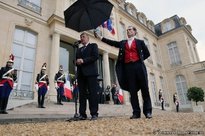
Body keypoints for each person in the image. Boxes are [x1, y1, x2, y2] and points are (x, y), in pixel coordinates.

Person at [95, 26, 152, 119]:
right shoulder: (123, 43)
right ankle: (136, 112)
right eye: (127, 30)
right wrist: (101, 38)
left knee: (144, 89)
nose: (128, 31)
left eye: (130, 29)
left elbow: (147, 53)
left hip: (139, 66)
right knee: (132, 91)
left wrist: (139, 59)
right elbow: (112, 43)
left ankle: (148, 111)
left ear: (135, 32)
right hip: (128, 68)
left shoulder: (140, 42)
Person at [76, 32, 99, 120]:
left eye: (83, 36)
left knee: (92, 93)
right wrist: (76, 62)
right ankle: (82, 114)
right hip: (81, 74)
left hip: (91, 73)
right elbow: (75, 60)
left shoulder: (93, 46)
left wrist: (83, 60)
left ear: (88, 38)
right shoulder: (78, 49)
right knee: (82, 94)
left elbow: (95, 56)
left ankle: (94, 113)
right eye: (81, 37)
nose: (82, 38)